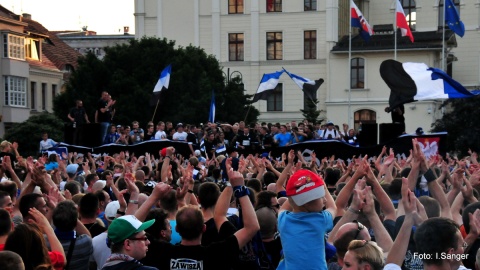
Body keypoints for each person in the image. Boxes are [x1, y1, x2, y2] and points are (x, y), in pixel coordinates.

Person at [276, 150, 336, 270]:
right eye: (320, 197)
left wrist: (298, 189)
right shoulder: (320, 220)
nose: (324, 200)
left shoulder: (283, 220)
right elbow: (332, 207)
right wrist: (322, 185)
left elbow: (284, 207)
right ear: (306, 204)